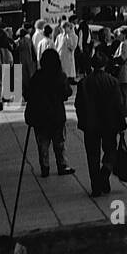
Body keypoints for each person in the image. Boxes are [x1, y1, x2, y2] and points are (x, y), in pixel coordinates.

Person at [74, 50, 127, 197]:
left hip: (90, 124)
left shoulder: (84, 83)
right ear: (105, 65)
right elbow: (119, 104)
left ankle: (95, 186)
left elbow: (79, 104)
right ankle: (105, 172)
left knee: (92, 155)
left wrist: (82, 119)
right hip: (109, 123)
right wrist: (121, 122)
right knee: (111, 150)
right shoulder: (112, 81)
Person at [24, 49, 75, 177]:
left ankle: (45, 166)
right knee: (59, 142)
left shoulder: (37, 76)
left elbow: (28, 94)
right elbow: (67, 92)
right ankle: (62, 165)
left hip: (40, 115)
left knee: (43, 143)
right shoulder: (60, 76)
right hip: (56, 114)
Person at [111, 27, 127, 118]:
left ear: (124, 35)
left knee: (123, 93)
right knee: (125, 92)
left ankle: (125, 112)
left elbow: (122, 58)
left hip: (124, 72)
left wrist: (113, 60)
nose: (118, 36)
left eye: (120, 34)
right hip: (126, 72)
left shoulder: (124, 44)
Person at [54, 19, 79, 85]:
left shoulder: (74, 36)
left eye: (65, 28)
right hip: (61, 58)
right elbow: (56, 46)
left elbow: (72, 47)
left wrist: (68, 37)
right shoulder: (59, 36)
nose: (64, 30)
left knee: (68, 73)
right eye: (63, 28)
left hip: (68, 58)